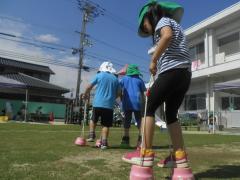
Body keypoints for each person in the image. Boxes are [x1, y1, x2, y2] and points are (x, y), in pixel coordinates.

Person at [122, 1, 192, 168]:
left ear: (150, 16)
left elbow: (166, 36)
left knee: (148, 104)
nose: (146, 29)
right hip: (184, 74)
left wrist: (153, 60)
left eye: (144, 24)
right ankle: (179, 156)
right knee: (171, 114)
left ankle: (144, 152)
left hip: (172, 71)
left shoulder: (163, 21)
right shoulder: (176, 25)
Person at [84, 61, 120, 149]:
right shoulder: (115, 79)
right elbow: (119, 93)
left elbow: (88, 87)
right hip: (109, 105)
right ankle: (104, 143)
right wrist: (112, 98)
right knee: (106, 125)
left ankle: (91, 135)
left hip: (98, 103)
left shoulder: (99, 75)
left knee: (93, 119)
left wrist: (85, 94)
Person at [119, 64, 146, 148]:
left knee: (127, 120)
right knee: (139, 121)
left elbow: (119, 89)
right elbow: (143, 93)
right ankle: (140, 141)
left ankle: (125, 140)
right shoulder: (140, 80)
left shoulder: (124, 79)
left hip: (127, 102)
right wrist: (144, 103)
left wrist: (121, 98)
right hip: (138, 102)